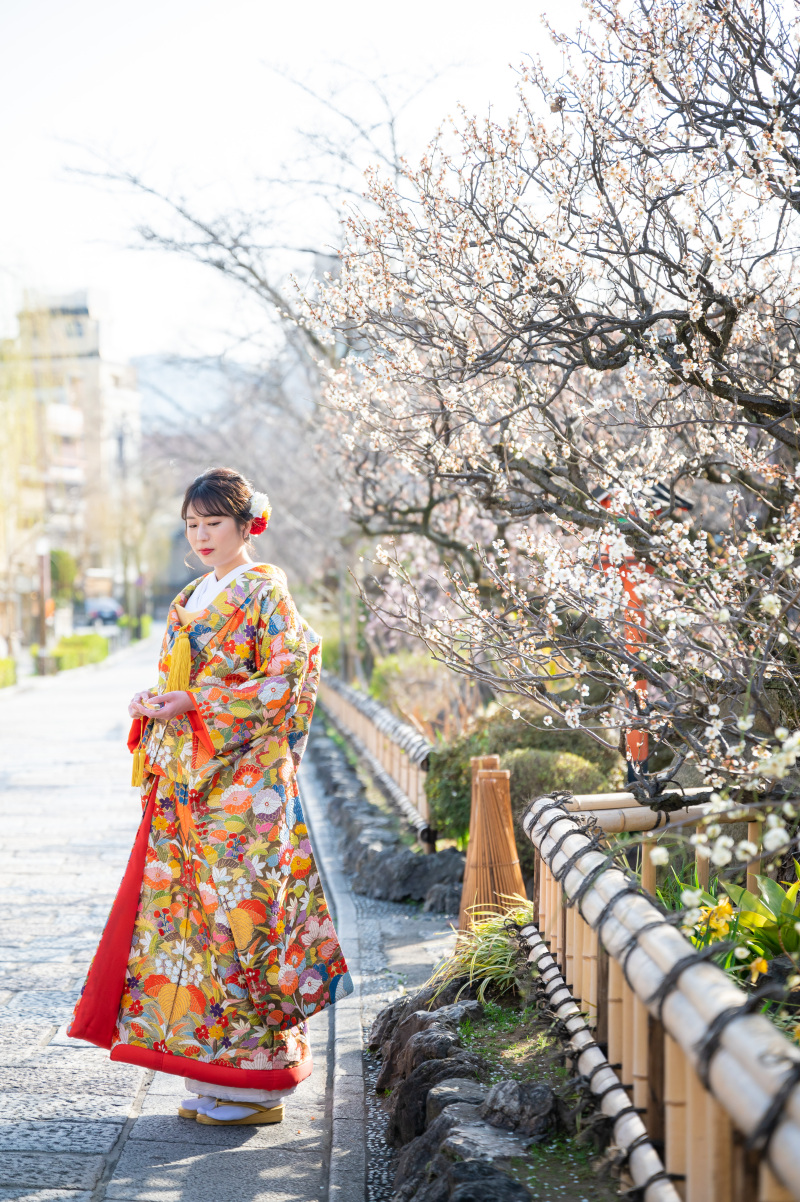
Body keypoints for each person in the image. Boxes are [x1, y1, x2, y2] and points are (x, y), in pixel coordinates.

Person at [69, 466, 352, 1126]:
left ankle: (257, 1083)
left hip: (247, 791)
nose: (200, 535)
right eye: (192, 524)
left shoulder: (265, 591)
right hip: (191, 786)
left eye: (213, 522)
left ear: (247, 523)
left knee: (242, 923)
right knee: (188, 929)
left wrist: (195, 702)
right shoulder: (191, 596)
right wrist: (155, 703)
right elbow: (180, 678)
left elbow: (289, 680)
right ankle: (212, 1071)